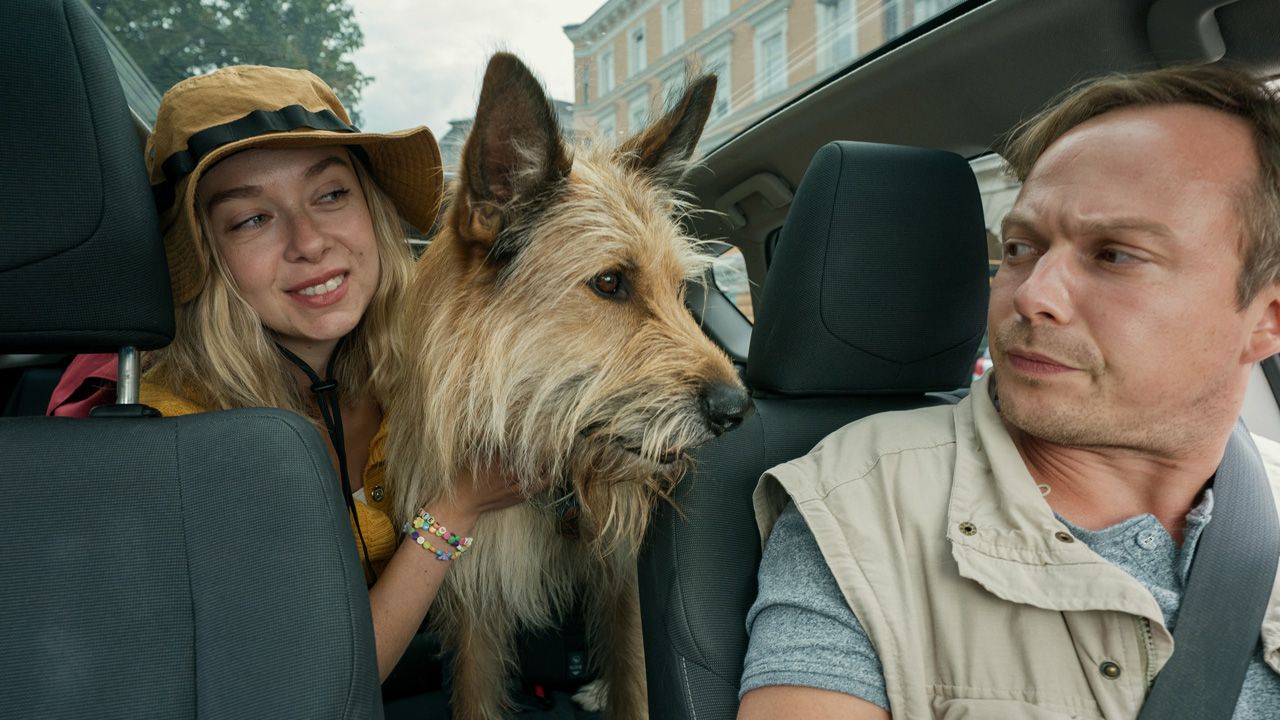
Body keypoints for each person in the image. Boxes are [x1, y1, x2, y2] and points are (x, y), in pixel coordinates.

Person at [738, 65, 1280, 718]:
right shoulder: (861, 505)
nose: (1030, 295)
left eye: (1115, 255)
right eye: (1021, 247)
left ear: (1268, 319)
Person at [120, 65, 531, 682]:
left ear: (371, 208)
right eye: (251, 219)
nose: (309, 242)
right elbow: (318, 681)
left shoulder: (425, 370)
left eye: (331, 194)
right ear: (201, 255)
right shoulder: (176, 438)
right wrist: (456, 508)